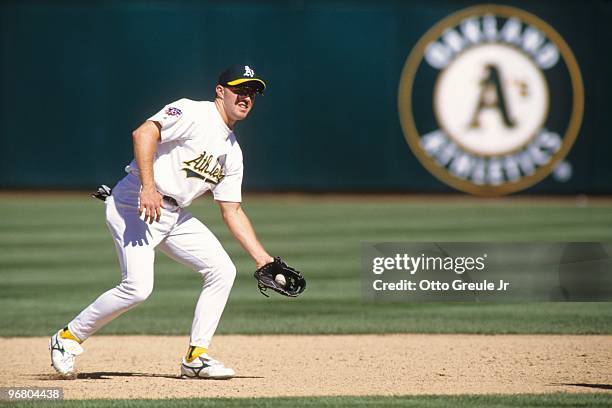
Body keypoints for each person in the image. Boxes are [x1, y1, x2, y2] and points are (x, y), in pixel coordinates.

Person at [49, 64, 273, 379]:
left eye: (252, 92)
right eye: (240, 89)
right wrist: (148, 186)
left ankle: (196, 357)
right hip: (134, 203)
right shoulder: (193, 112)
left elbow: (232, 210)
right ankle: (67, 338)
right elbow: (144, 132)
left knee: (222, 270)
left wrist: (263, 259)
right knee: (138, 288)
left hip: (173, 213)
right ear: (220, 91)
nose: (246, 97)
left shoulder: (232, 152)